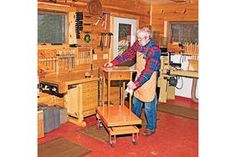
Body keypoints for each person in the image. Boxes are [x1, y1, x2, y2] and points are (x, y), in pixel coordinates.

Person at [104, 27, 161, 136]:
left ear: (147, 37)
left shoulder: (154, 50)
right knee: (136, 101)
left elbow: (148, 71)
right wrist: (113, 62)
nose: (137, 41)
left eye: (139, 39)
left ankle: (151, 127)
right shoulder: (139, 44)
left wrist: (136, 84)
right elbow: (128, 53)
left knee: (149, 104)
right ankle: (134, 122)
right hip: (139, 74)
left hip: (149, 78)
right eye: (137, 38)